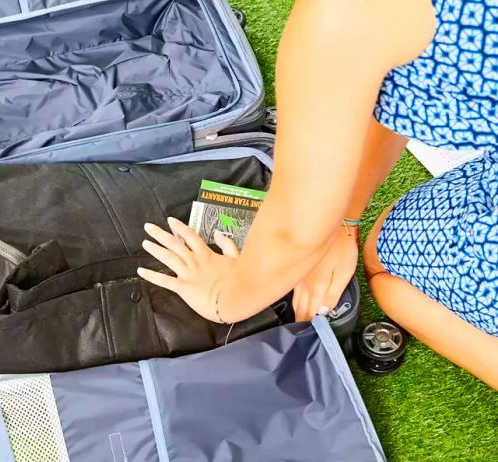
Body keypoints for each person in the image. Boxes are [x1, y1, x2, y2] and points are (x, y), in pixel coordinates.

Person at [137, 0, 498, 390]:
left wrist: (224, 301)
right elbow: (404, 86)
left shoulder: (345, 13)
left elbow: (295, 232)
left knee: (391, 283)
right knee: (388, 248)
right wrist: (345, 221)